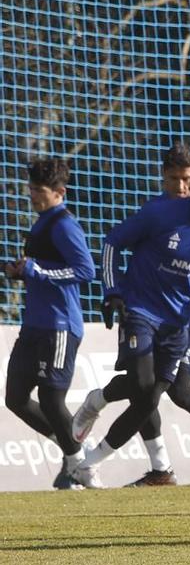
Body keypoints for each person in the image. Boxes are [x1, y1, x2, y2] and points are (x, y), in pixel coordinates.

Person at [67, 154, 190, 490]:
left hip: (180, 322)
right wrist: (112, 292)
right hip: (141, 311)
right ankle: (99, 432)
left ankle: (95, 458)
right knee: (146, 387)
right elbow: (113, 242)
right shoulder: (159, 213)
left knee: (154, 396)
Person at [5, 156, 94, 489]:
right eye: (30, 188)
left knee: (51, 399)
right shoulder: (42, 221)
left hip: (60, 325)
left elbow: (85, 271)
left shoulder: (64, 224)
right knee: (15, 397)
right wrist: (19, 272)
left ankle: (79, 464)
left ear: (59, 191)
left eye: (38, 190)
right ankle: (74, 454)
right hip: (34, 325)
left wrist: (35, 270)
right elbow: (43, 268)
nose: (32, 195)